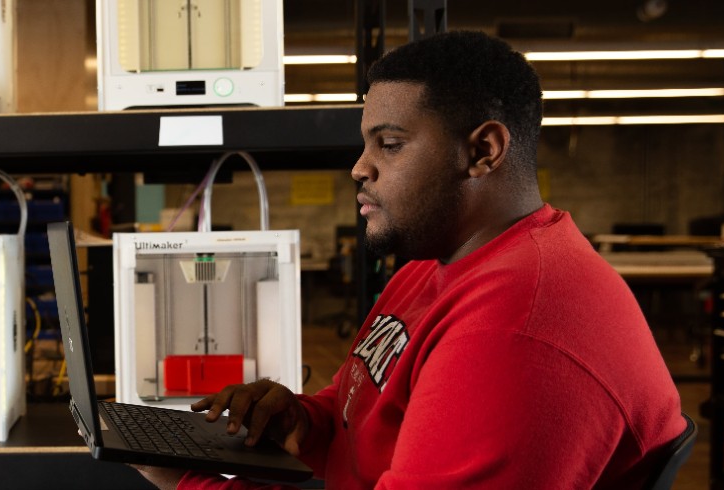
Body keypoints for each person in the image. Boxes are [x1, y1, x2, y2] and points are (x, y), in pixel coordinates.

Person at [135, 30, 686, 489]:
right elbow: (362, 409)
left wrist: (187, 481)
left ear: (483, 151)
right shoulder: (432, 263)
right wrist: (303, 421)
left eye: (389, 144)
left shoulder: (516, 328)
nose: (359, 167)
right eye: (365, 144)